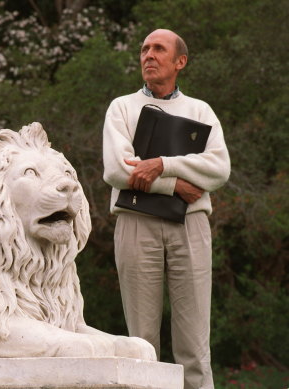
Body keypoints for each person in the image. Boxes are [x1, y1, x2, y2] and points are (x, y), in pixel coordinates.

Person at [102, 29, 230, 389]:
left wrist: (161, 164)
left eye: (158, 49)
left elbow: (219, 169)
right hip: (136, 223)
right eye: (144, 49)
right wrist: (176, 184)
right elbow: (116, 169)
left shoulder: (200, 110)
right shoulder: (122, 107)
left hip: (190, 225)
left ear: (180, 62)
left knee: (194, 344)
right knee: (142, 344)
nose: (149, 55)